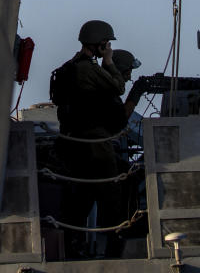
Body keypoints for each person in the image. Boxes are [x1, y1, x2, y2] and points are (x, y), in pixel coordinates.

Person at [53, 20, 128, 257]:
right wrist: (108, 62)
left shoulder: (68, 67)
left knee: (81, 198)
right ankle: (115, 251)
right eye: (106, 43)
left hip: (73, 144)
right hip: (95, 144)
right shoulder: (88, 69)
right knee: (112, 198)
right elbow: (118, 87)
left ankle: (73, 247)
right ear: (100, 43)